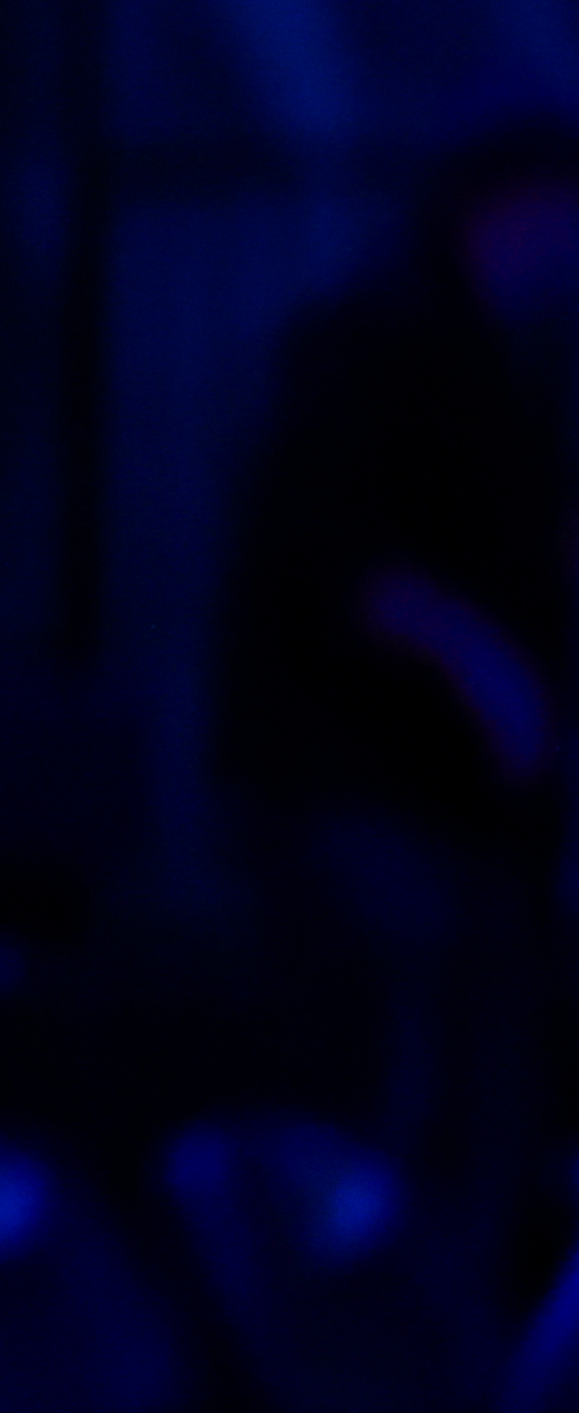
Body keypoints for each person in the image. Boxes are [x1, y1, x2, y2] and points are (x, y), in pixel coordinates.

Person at [219, 117, 579, 1299]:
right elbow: (332, 556)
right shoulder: (377, 342)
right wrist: (483, 673)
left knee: (476, 1073)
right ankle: (353, 1349)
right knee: (393, 1072)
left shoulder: (491, 360)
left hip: (452, 804)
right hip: (357, 783)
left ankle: (433, 1349)